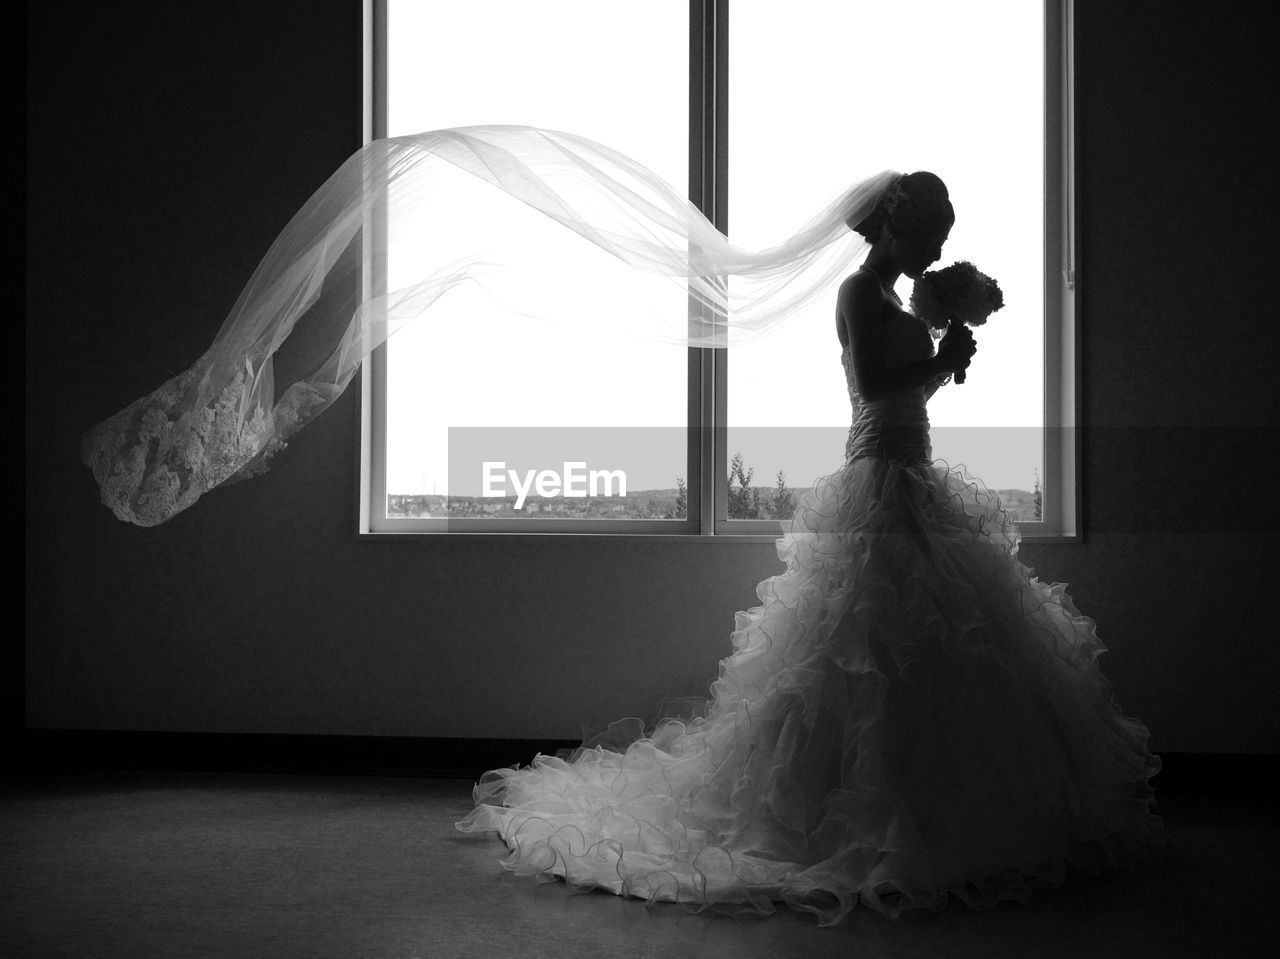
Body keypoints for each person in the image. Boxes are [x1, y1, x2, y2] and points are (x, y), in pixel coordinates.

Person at [453, 170, 1165, 926]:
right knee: (864, 647)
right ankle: (855, 809)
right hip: (877, 482)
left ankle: (936, 805)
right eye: (930, 237)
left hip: (915, 473)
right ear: (894, 230)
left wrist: (944, 364)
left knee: (936, 644)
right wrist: (936, 357)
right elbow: (870, 387)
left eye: (943, 241)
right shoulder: (859, 292)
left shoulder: (898, 301)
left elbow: (911, 395)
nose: (936, 251)